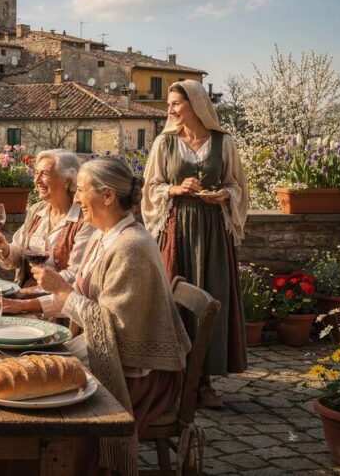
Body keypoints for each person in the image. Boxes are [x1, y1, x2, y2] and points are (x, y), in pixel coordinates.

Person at [23, 157, 190, 475]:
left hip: (138, 375)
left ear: (108, 195)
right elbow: (85, 303)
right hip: (111, 354)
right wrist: (31, 304)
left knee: (40, 403)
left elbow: (114, 328)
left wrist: (62, 291)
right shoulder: (105, 236)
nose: (75, 198)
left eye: (82, 190)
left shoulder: (131, 247)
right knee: (33, 370)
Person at [142, 79, 249, 408]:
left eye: (176, 103)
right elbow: (150, 186)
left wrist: (224, 195)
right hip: (177, 229)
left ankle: (204, 381)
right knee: (175, 300)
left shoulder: (223, 142)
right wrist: (175, 190)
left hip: (213, 233)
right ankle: (173, 379)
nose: (170, 110)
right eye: (170, 104)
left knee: (212, 297)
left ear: (196, 105)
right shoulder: (165, 142)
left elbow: (238, 186)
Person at [0, 149, 95, 315]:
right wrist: (4, 247)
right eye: (36, 173)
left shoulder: (84, 220)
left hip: (56, 308)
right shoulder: (37, 211)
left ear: (67, 180)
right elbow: (17, 256)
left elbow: (74, 277)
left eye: (44, 174)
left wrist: (24, 295)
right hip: (23, 298)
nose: (37, 180)